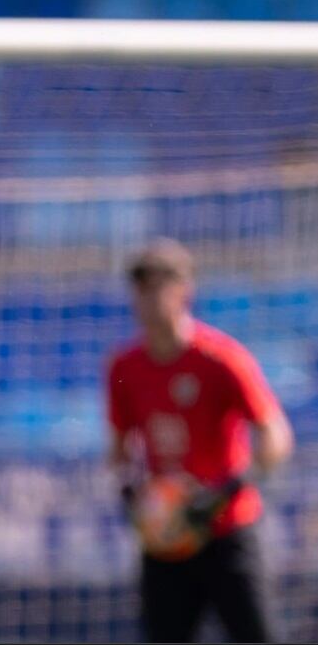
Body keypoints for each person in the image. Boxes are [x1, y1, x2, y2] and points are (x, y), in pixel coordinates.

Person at [106, 238, 294, 643]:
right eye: (142, 288)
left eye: (160, 285)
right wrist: (131, 492)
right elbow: (119, 449)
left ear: (185, 291)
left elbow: (275, 434)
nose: (150, 298)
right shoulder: (124, 367)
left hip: (226, 529)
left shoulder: (220, 359)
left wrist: (231, 487)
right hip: (168, 535)